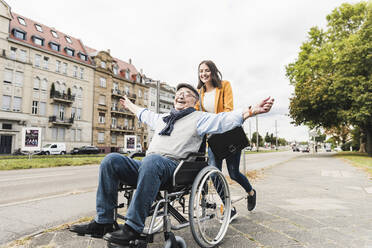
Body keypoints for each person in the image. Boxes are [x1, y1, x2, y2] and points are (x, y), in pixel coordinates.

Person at [69, 83, 274, 246]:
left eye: (186, 93)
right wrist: (129, 105)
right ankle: (104, 222)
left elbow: (224, 120)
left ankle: (132, 228)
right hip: (149, 166)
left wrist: (251, 111)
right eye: (178, 93)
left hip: (174, 168)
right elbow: (143, 113)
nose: (180, 95)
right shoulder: (163, 119)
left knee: (152, 160)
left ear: (195, 101)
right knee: (111, 160)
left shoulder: (199, 118)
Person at [195, 60, 257, 221]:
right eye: (201, 71)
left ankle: (251, 192)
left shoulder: (224, 86)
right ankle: (230, 208)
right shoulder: (198, 93)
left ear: (213, 71)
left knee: (234, 173)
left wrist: (213, 122)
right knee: (214, 174)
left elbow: (229, 110)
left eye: (207, 70)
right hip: (212, 140)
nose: (204, 73)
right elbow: (195, 115)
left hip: (228, 135)